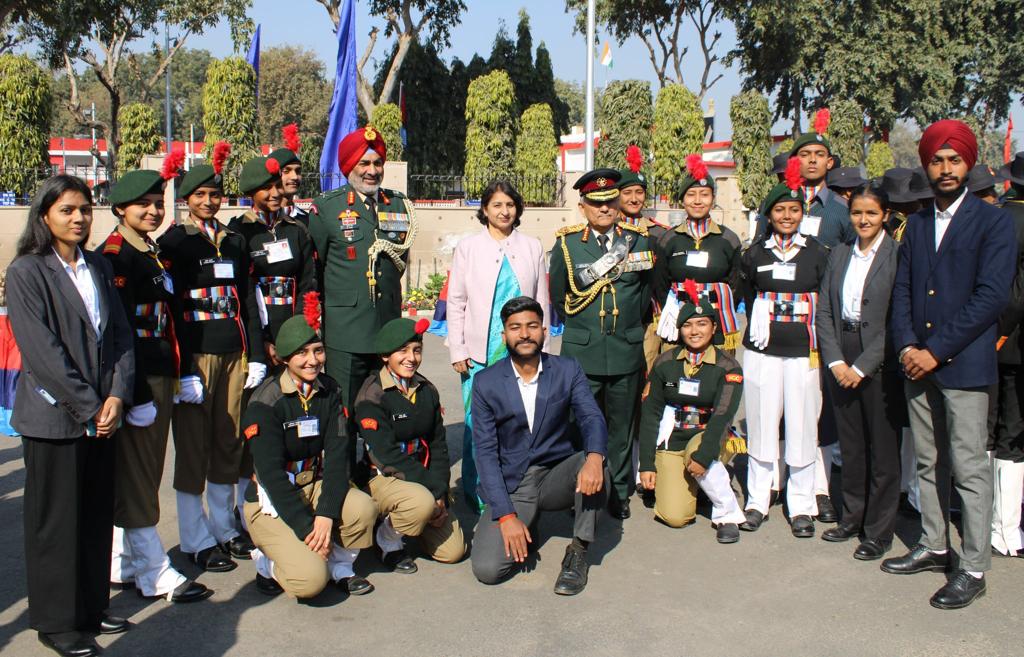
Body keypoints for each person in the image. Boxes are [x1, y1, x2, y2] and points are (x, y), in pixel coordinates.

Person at [884, 119, 1015, 610]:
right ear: (926, 165)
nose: (945, 169)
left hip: (963, 365)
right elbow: (903, 290)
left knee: (968, 466)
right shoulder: (917, 224)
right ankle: (935, 543)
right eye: (936, 160)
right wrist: (906, 347)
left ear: (968, 164)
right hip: (916, 364)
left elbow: (991, 297)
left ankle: (974, 566)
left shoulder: (993, 221)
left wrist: (936, 351)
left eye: (954, 160)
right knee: (928, 460)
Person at [7, 175, 135, 657]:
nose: (79, 218)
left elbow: (120, 336)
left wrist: (117, 396)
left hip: (103, 415)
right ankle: (57, 622)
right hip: (55, 418)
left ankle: (90, 607)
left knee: (95, 515)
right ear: (44, 216)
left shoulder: (98, 265)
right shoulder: (27, 271)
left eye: (84, 208)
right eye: (66, 210)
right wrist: (89, 405)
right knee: (56, 523)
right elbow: (43, 353)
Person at [99, 163, 212, 604]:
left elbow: (168, 318)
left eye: (156, 204)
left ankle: (122, 562)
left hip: (162, 371)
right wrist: (137, 393)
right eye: (142, 205)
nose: (152, 211)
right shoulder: (117, 256)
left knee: (142, 472)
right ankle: (153, 572)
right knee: (140, 475)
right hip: (140, 379)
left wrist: (182, 371)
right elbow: (121, 331)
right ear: (120, 209)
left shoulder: (149, 251)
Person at [157, 142, 257, 572]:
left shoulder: (233, 241)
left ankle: (224, 528)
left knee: (228, 440)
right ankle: (194, 538)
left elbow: (246, 300)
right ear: (186, 198)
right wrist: (183, 370)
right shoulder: (175, 242)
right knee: (193, 447)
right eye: (199, 194)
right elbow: (171, 308)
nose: (209, 201)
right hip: (196, 356)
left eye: (215, 194)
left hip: (233, 352)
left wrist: (254, 354)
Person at [470, 296, 608, 595]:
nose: (524, 334)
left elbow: (591, 417)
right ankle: (526, 522)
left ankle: (578, 552)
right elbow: (486, 453)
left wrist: (595, 458)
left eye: (532, 326)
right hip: (514, 483)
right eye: (515, 327)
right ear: (504, 335)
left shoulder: (567, 369)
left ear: (544, 331)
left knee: (596, 464)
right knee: (488, 570)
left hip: (556, 475)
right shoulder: (485, 382)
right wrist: (507, 516)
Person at [243, 309, 379, 598]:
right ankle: (266, 563)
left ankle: (340, 566)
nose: (313, 360)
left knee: (363, 509)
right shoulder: (265, 402)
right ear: (284, 358)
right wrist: (308, 529)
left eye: (318, 350)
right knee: (309, 582)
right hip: (273, 498)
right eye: (302, 353)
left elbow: (338, 454)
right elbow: (271, 475)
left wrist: (326, 514)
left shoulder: (330, 390)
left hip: (314, 483)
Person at [549, 168, 653, 520]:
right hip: (583, 351)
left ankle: (618, 491)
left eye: (610, 201)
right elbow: (559, 297)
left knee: (621, 426)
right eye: (596, 203)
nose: (605, 209)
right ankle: (580, 489)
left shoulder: (638, 241)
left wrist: (627, 329)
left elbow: (643, 297)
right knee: (579, 424)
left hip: (625, 348)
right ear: (583, 207)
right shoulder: (567, 244)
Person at [738, 157, 830, 538]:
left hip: (804, 352)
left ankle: (802, 504)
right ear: (769, 214)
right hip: (763, 351)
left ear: (802, 213)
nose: (787, 216)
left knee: (803, 424)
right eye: (780, 210)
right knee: (761, 423)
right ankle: (758, 499)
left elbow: (826, 298)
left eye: (793, 209)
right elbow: (746, 292)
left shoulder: (818, 253)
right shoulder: (755, 253)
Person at [447, 180, 551, 512]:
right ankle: (478, 494)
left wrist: (543, 349)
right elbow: (456, 301)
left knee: (521, 420)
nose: (504, 211)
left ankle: (516, 491)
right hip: (479, 354)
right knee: (477, 424)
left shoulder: (532, 246)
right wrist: (458, 349)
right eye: (497, 205)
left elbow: (542, 302)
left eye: (510, 205)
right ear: (485, 210)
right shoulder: (468, 248)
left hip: (522, 351)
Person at [814, 183, 903, 560]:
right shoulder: (839, 253)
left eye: (871, 213)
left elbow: (897, 318)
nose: (863, 220)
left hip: (878, 357)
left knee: (882, 448)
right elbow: (824, 311)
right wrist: (836, 361)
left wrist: (863, 366)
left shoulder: (897, 255)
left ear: (885, 215)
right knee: (850, 444)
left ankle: (879, 531)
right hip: (842, 350)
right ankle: (852, 516)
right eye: (857, 213)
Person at [307, 126, 416, 421]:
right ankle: (344, 455)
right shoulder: (327, 208)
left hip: (388, 328)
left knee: (385, 410)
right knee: (343, 413)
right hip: (346, 331)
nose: (372, 171)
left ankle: (376, 454)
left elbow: (398, 260)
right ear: (349, 167)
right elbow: (315, 269)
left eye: (377, 163)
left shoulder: (398, 205)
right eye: (364, 163)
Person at [354, 317, 467, 573]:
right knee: (422, 503)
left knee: (453, 551)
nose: (411, 358)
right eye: (402, 351)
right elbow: (387, 455)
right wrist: (433, 490)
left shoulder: (427, 390)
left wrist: (441, 493)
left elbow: (437, 446)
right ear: (385, 355)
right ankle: (387, 539)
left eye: (417, 350)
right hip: (384, 477)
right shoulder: (372, 395)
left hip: (420, 477)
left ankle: (412, 518)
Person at [638, 290, 747, 543]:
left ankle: (727, 514)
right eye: (687, 325)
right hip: (673, 437)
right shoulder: (665, 362)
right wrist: (646, 464)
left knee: (698, 455)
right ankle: (697, 486)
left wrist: (704, 455)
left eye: (702, 324)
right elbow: (651, 414)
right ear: (679, 330)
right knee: (674, 516)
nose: (694, 331)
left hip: (709, 434)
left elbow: (723, 415)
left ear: (713, 327)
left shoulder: (727, 366)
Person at [228, 155, 316, 363]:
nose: (276, 193)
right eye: (267, 188)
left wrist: (298, 332)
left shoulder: (296, 230)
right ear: (251, 191)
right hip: (258, 329)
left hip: (292, 325)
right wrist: (261, 342)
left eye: (278, 185)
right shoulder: (238, 232)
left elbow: (307, 282)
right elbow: (243, 293)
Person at [653, 154, 742, 353]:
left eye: (704, 194)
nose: (698, 201)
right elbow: (660, 284)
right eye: (691, 194)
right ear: (682, 200)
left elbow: (736, 285)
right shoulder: (669, 239)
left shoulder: (729, 239)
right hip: (679, 323)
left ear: (713, 199)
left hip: (716, 323)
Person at [989, 152, 1024, 557]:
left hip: (992, 338)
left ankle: (990, 519)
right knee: (1012, 435)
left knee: (989, 430)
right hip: (1011, 341)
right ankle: (1006, 529)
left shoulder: (998, 218)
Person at [268, 123, 309, 226]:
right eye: (286, 171)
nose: (294, 177)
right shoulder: (261, 220)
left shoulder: (309, 221)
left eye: (298, 171)